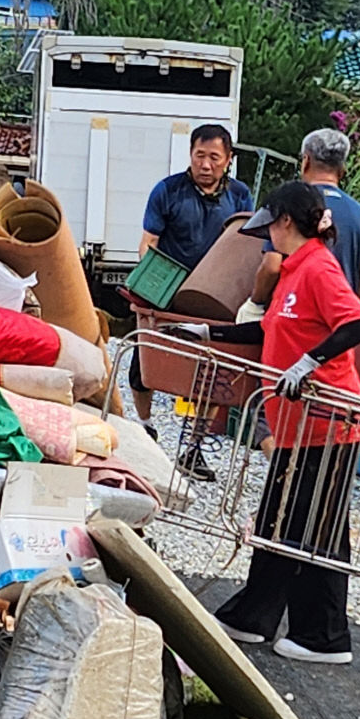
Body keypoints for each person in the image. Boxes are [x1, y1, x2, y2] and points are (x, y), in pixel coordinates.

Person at [176, 182, 360, 664]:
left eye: (272, 228)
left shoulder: (319, 268)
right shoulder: (294, 270)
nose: (269, 238)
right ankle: (263, 619)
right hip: (296, 425)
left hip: (327, 423)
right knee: (288, 522)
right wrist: (208, 332)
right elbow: (267, 329)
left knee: (307, 526)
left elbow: (357, 324)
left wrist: (308, 364)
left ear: (285, 222)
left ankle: (320, 635)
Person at [236, 127, 360, 460]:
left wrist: (261, 303)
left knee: (305, 498)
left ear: (305, 161)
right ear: (343, 170)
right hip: (310, 357)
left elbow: (358, 322)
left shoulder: (297, 219)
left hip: (320, 395)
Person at [129, 124, 253, 480]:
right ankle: (146, 427)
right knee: (144, 367)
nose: (206, 164)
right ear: (190, 155)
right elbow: (149, 241)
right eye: (200, 155)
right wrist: (149, 283)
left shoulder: (241, 196)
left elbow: (246, 246)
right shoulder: (167, 191)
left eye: (215, 157)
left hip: (215, 297)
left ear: (228, 160)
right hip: (168, 294)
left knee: (214, 374)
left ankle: (194, 448)